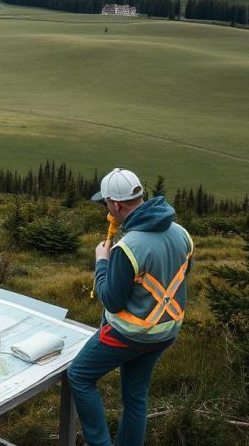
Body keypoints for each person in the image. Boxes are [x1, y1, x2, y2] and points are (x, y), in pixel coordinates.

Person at [67, 168, 194, 446]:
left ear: (115, 205)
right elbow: (184, 275)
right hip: (165, 333)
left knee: (79, 376)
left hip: (128, 334)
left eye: (106, 204)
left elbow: (111, 299)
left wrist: (102, 261)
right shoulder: (182, 233)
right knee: (135, 396)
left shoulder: (128, 247)